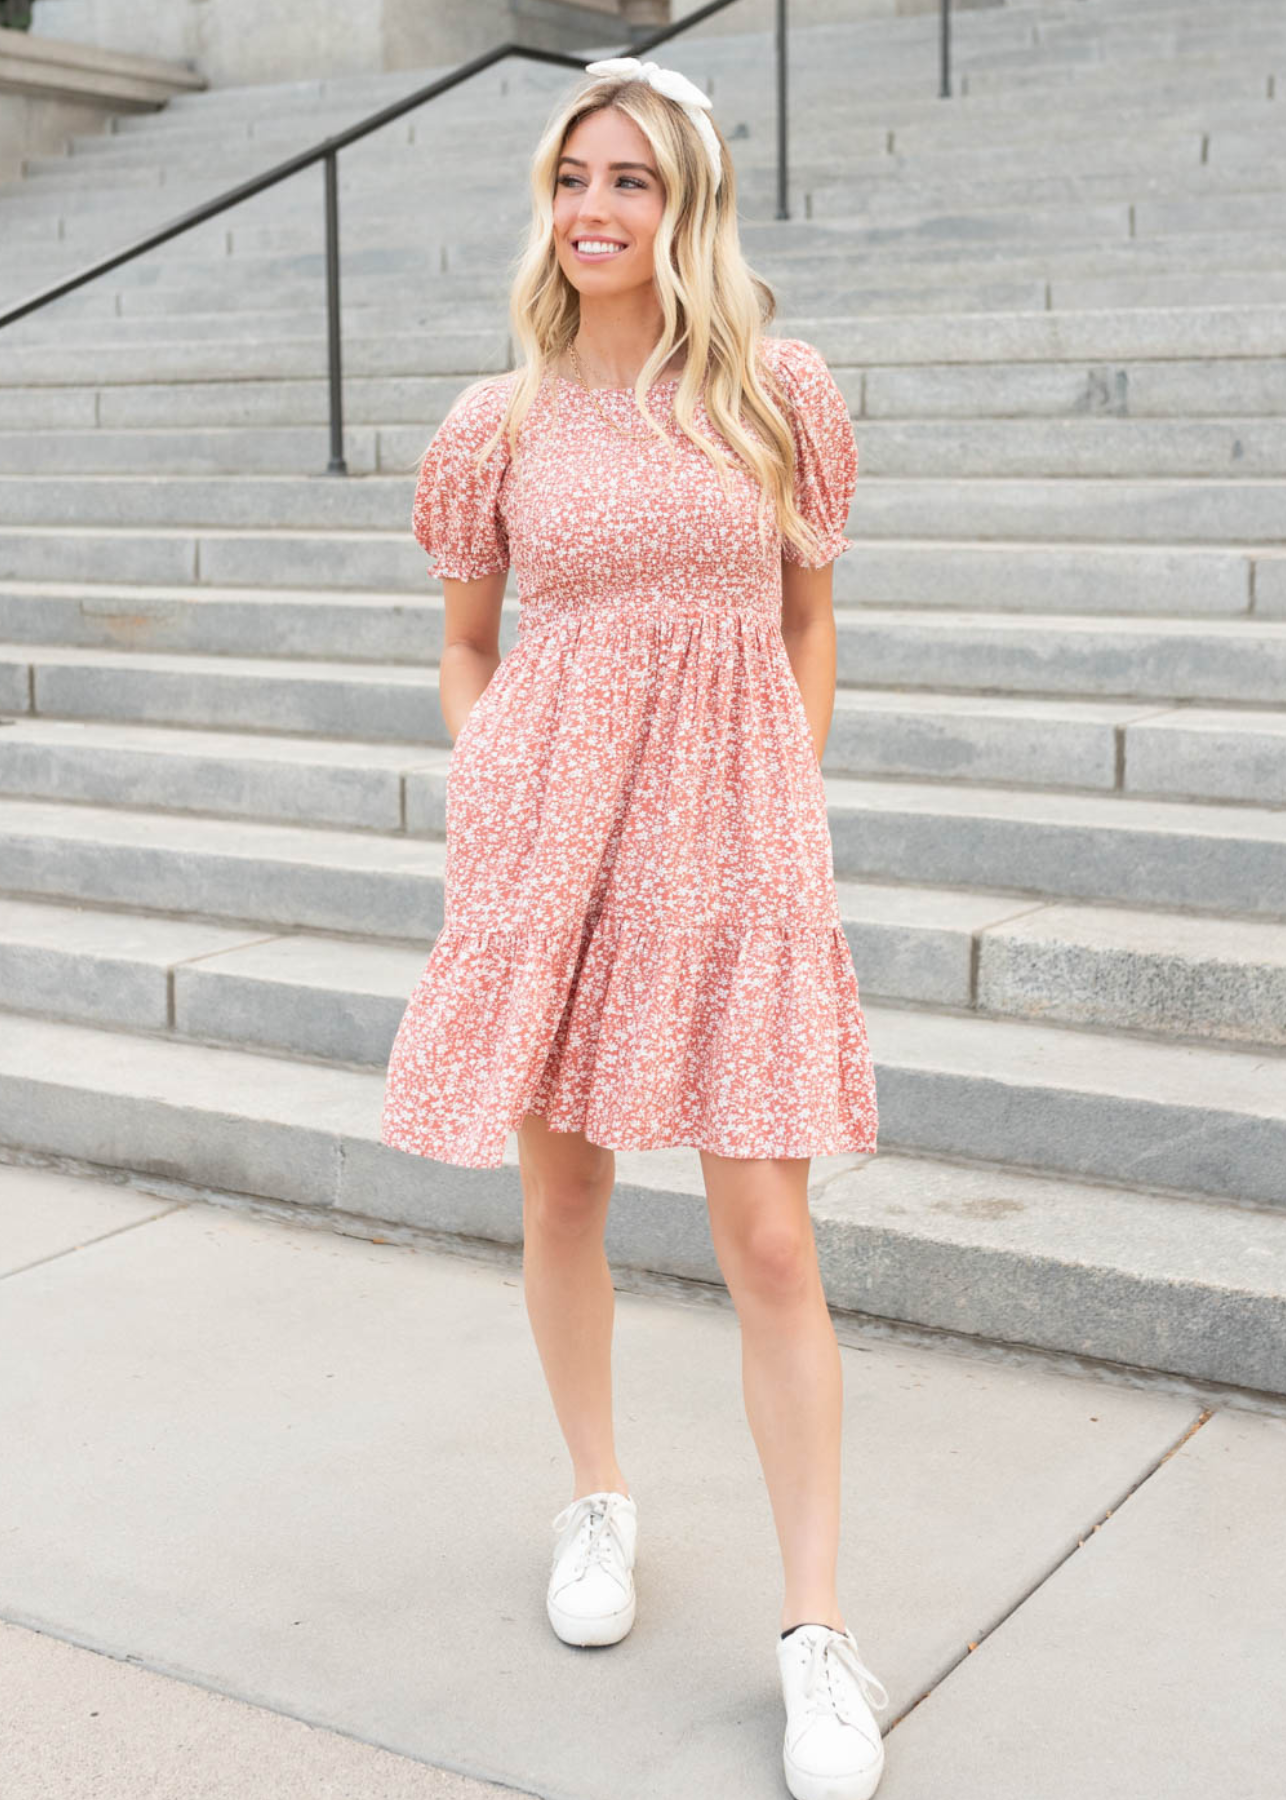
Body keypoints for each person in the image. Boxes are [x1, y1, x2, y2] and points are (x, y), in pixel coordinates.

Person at [380, 51, 887, 1800]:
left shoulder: (774, 390)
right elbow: (467, 641)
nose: (594, 209)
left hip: (734, 852)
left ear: (689, 203)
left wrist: (784, 796)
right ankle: (595, 1500)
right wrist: (488, 769)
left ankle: (816, 1636)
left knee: (765, 1241)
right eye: (572, 178)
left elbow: (808, 621)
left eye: (632, 181)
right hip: (548, 855)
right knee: (566, 1192)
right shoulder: (496, 424)